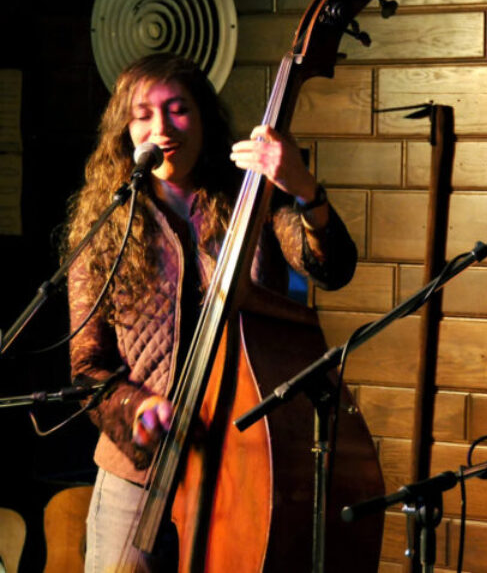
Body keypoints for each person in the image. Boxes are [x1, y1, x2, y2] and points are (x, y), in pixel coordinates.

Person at [64, 53, 357, 571]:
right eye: (144, 115)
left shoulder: (252, 200)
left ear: (203, 117)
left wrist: (305, 190)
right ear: (125, 130)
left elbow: (331, 267)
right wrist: (135, 407)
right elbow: (88, 368)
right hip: (138, 476)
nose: (162, 127)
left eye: (178, 109)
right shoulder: (105, 226)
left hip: (240, 470)